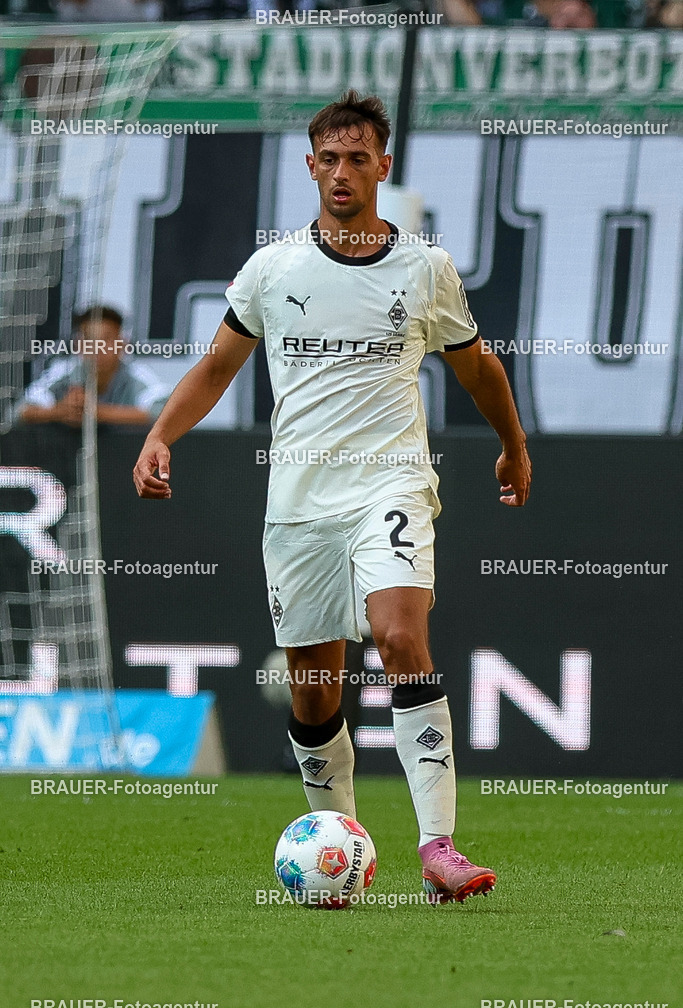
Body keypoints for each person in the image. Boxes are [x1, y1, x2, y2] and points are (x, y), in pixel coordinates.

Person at [133, 91, 532, 903]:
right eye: (329, 158)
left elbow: (477, 367)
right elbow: (216, 366)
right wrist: (158, 434)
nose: (342, 171)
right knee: (317, 690)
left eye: (358, 159)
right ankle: (341, 854)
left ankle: (437, 848)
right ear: (309, 165)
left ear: (384, 168)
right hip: (299, 502)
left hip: (390, 482)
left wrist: (512, 445)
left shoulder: (424, 269)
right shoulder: (273, 269)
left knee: (398, 636)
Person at [19, 306, 166, 428]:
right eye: (90, 340)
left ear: (122, 344)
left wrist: (97, 412)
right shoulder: (63, 371)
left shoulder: (137, 374)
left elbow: (165, 414)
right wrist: (59, 411)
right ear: (79, 345)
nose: (98, 348)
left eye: (106, 340)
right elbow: (18, 412)